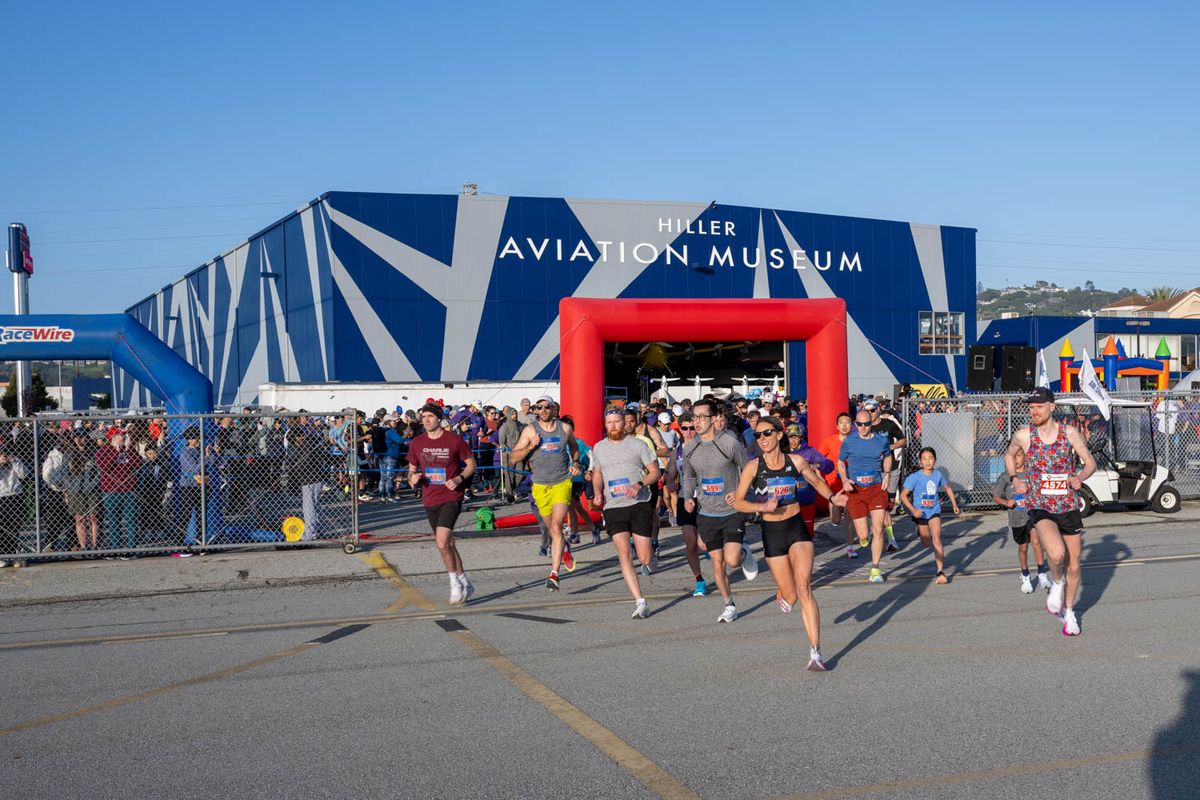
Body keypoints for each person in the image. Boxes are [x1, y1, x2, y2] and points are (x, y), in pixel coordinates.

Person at [734, 415, 848, 671]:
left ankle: (815, 653)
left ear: (778, 434)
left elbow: (817, 481)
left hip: (796, 528)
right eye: (757, 435)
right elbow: (739, 501)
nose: (761, 439)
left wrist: (832, 498)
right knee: (791, 595)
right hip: (772, 533)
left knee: (805, 588)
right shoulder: (753, 467)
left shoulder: (795, 461)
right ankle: (784, 593)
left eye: (766, 433)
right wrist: (761, 506)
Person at [1005, 387, 1096, 636]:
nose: (1034, 411)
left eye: (1039, 406)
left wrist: (1080, 478)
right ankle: (1057, 582)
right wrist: (1015, 478)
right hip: (1040, 504)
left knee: (1074, 565)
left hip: (1067, 504)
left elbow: (1090, 463)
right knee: (1056, 555)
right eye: (1031, 407)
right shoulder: (1024, 435)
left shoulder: (1070, 433)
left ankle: (1069, 613)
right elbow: (1009, 455)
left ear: (1052, 407)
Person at [681, 398, 758, 623]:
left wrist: (741, 494)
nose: (697, 422)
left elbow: (747, 468)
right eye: (694, 417)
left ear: (714, 419)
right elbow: (688, 475)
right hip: (706, 512)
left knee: (732, 560)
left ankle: (745, 553)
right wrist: (688, 497)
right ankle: (729, 605)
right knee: (717, 561)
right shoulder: (690, 447)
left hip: (731, 510)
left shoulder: (729, 442)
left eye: (701, 417)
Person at [590, 407, 662, 619]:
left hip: (638, 503)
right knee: (624, 554)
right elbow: (597, 473)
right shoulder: (599, 448)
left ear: (625, 424)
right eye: (609, 422)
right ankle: (640, 601)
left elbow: (655, 471)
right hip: (613, 506)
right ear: (605, 425)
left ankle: (649, 559)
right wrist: (597, 493)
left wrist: (639, 484)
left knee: (644, 557)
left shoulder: (637, 444)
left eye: (617, 422)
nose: (613, 426)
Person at [407, 403, 478, 605]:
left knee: (441, 541)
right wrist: (413, 478)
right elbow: (411, 470)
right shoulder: (417, 443)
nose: (426, 420)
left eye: (430, 416)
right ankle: (465, 580)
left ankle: (454, 582)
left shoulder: (454, 440)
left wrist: (459, 479)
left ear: (439, 418)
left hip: (451, 496)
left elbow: (471, 464)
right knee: (448, 544)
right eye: (424, 417)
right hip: (430, 497)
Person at [509, 396, 581, 590]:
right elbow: (513, 458)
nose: (542, 410)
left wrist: (575, 463)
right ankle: (564, 547)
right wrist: (531, 445)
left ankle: (554, 574)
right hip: (540, 485)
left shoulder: (564, 428)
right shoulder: (530, 430)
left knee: (556, 527)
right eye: (538, 407)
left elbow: (574, 447)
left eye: (546, 406)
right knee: (552, 529)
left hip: (562, 482)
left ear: (554, 409)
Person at [838, 411, 894, 583]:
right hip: (856, 490)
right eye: (860, 424)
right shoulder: (849, 441)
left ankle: (875, 569)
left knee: (878, 529)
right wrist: (845, 479)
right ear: (856, 425)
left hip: (876, 488)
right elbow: (840, 462)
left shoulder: (881, 440)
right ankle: (864, 535)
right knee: (863, 536)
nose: (863, 428)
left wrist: (886, 474)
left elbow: (888, 456)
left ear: (872, 423)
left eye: (866, 424)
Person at [992, 445, 1050, 594]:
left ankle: (1042, 573)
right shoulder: (1006, 477)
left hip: (1032, 514)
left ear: (1025, 457)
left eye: (1018, 455)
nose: (1016, 459)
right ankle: (1025, 575)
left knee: (1036, 541)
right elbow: (996, 496)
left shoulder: (1031, 474)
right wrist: (1006, 503)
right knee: (1023, 547)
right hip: (1016, 518)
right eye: (1013, 457)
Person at [900, 447, 960, 584]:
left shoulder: (938, 475)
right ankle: (920, 531)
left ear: (935, 460)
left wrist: (954, 505)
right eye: (924, 459)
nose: (927, 462)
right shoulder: (914, 477)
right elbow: (903, 496)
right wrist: (913, 510)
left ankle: (940, 571)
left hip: (934, 511)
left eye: (930, 458)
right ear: (920, 461)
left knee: (937, 538)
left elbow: (948, 488)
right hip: (920, 513)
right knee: (926, 543)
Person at [864, 397, 906, 552]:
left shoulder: (888, 424)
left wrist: (890, 446)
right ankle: (874, 532)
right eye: (867, 411)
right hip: (873, 470)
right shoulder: (864, 427)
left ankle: (891, 539)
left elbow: (903, 440)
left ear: (878, 410)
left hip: (891, 468)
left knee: (886, 505)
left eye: (872, 410)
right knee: (874, 505)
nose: (870, 414)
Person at [673, 411, 708, 595]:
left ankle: (714, 549)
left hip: (705, 498)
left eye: (692, 428)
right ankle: (699, 579)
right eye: (684, 428)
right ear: (679, 429)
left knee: (703, 544)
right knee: (690, 544)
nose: (688, 432)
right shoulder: (677, 451)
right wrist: (669, 482)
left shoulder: (705, 447)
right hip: (684, 499)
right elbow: (671, 475)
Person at [96, 427, 140, 557]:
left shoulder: (129, 450)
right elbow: (104, 466)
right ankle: (116, 548)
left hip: (128, 490)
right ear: (114, 437)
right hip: (110, 491)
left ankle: (131, 549)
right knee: (113, 520)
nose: (124, 438)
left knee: (130, 519)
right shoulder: (103, 451)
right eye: (122, 436)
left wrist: (127, 451)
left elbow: (137, 464)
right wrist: (116, 452)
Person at [818, 412, 856, 556]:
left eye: (848, 422)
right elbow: (818, 462)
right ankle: (833, 511)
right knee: (835, 520)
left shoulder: (855, 441)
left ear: (851, 425)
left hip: (850, 484)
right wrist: (820, 479)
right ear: (837, 426)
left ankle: (850, 548)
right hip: (833, 484)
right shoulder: (828, 442)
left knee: (849, 514)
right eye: (842, 423)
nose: (845, 425)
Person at [785, 423, 835, 535]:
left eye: (795, 437)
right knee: (789, 535)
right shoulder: (781, 451)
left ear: (800, 437)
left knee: (807, 534)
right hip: (787, 502)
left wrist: (817, 465)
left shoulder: (809, 451)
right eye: (790, 437)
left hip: (806, 499)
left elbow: (829, 465)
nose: (793, 440)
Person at [0, 442, 29, 565]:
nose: (5, 455)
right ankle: (2, 555)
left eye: (6, 453)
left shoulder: (15, 461)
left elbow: (24, 474)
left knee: (14, 525)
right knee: (2, 526)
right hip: (1, 495)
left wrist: (14, 461)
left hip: (15, 495)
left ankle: (11, 553)